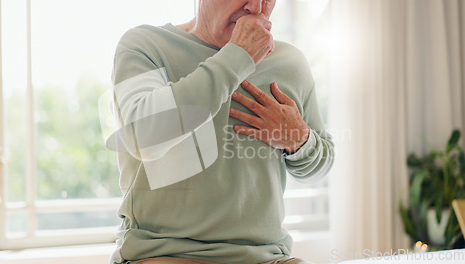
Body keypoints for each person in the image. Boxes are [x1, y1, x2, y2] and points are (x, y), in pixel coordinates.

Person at [108, 0, 334, 263]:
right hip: (164, 254)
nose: (256, 7)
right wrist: (237, 56)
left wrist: (299, 140)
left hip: (267, 257)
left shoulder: (290, 62)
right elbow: (143, 137)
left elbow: (321, 164)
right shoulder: (145, 45)